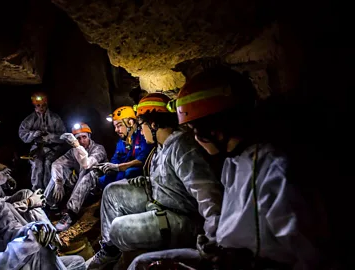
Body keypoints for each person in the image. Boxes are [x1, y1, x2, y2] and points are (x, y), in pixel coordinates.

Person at [129, 67, 326, 270]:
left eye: (196, 129)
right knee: (141, 264)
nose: (195, 138)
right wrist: (213, 241)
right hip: (225, 254)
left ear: (216, 128)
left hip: (249, 263)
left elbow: (310, 256)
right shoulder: (232, 161)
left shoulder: (276, 170)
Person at [86, 93, 223, 269]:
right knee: (112, 192)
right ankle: (110, 250)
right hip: (163, 202)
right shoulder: (161, 147)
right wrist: (147, 180)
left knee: (118, 229)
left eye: (141, 124)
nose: (141, 131)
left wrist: (212, 241)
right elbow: (169, 178)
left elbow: (209, 197)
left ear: (153, 124)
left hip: (183, 218)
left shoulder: (183, 148)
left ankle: (123, 252)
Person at [43, 122, 107, 231]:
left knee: (88, 172)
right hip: (79, 183)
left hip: (95, 185)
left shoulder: (98, 149)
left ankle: (70, 213)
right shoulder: (73, 152)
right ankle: (46, 205)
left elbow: (87, 164)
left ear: (89, 137)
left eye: (84, 137)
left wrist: (77, 146)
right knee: (58, 173)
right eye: (79, 139)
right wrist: (58, 182)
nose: (82, 141)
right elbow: (57, 164)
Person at [19, 91, 66, 190]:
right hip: (37, 147)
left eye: (43, 105)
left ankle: (49, 190)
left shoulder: (55, 118)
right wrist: (34, 134)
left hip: (53, 148)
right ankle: (37, 191)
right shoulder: (30, 119)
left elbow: (63, 136)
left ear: (47, 104)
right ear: (34, 105)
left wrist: (51, 137)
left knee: (49, 164)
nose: (41, 108)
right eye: (38, 105)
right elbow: (22, 133)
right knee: (37, 165)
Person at [100, 106, 153, 188]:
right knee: (102, 180)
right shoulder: (121, 142)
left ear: (130, 123)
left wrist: (119, 167)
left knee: (129, 173)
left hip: (140, 174)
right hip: (123, 171)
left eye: (119, 125)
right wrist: (109, 167)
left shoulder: (143, 136)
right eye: (115, 126)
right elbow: (115, 159)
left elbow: (143, 159)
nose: (116, 130)